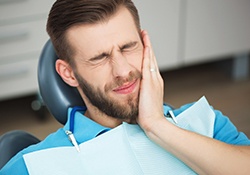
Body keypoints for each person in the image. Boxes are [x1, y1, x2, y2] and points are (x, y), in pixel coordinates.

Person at [1, 0, 250, 174]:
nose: (122, 71)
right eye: (100, 58)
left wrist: (157, 126)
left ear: (145, 43)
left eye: (128, 47)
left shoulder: (205, 123)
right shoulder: (35, 165)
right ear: (69, 74)